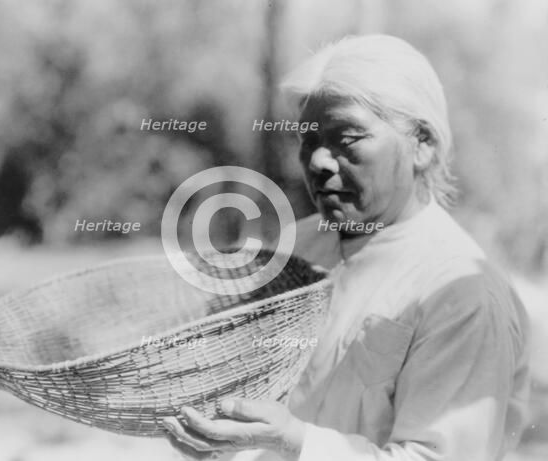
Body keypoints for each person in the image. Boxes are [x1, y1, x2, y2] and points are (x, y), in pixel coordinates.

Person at [163, 34, 530, 461]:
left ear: (422, 145)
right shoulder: (287, 250)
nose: (317, 161)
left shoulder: (460, 294)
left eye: (347, 138)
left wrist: (296, 442)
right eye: (307, 140)